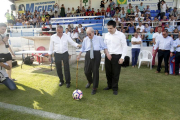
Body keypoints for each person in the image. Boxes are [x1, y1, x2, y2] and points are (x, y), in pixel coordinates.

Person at [77, 27, 108, 95]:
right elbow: (83, 48)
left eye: (90, 34)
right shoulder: (85, 39)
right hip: (88, 55)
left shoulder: (99, 38)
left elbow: (104, 47)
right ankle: (90, 81)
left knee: (95, 71)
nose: (89, 36)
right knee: (86, 71)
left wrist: (107, 54)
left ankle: (94, 87)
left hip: (96, 55)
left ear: (93, 32)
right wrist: (79, 55)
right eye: (87, 34)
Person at [103, 20, 127, 95]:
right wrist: (107, 53)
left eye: (111, 28)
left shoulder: (121, 35)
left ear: (115, 27)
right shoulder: (106, 35)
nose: (109, 30)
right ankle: (109, 85)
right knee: (108, 72)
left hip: (117, 56)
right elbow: (104, 46)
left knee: (115, 73)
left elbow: (125, 47)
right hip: (108, 56)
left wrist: (122, 58)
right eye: (108, 28)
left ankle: (115, 88)